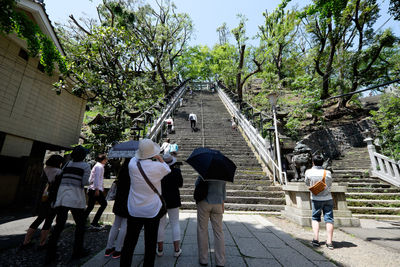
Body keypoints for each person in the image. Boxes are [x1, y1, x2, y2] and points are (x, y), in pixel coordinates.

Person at [120, 139, 171, 267]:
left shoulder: (132, 165)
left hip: (134, 209)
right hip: (152, 210)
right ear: (152, 153)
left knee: (129, 243)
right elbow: (167, 169)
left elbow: (134, 158)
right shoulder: (157, 167)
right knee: (150, 243)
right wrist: (158, 157)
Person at [45, 146, 91, 264]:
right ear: (83, 156)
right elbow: (84, 182)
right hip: (75, 198)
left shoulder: (67, 164)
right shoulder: (85, 166)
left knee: (59, 225)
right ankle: (77, 250)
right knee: (80, 225)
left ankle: (50, 253)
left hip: (62, 197)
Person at [21, 154, 64, 249]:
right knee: (48, 221)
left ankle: (26, 241)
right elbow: (58, 188)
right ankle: (42, 243)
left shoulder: (44, 169)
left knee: (39, 219)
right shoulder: (59, 172)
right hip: (52, 199)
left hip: (42, 198)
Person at [305, 155, 334, 250]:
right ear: (322, 163)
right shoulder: (327, 172)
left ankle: (316, 239)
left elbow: (307, 183)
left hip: (316, 198)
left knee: (315, 218)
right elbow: (329, 184)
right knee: (329, 219)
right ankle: (329, 242)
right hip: (328, 198)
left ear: (313, 162)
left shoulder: (309, 172)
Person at [157, 154, 183, 258]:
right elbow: (180, 184)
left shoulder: (159, 171)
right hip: (174, 199)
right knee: (175, 223)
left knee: (160, 224)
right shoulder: (176, 171)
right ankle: (177, 250)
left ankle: (160, 250)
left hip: (161, 200)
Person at [196, 176, 226, 267]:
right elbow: (224, 191)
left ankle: (203, 259)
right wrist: (222, 204)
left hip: (204, 202)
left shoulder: (204, 171)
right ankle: (220, 261)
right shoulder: (222, 174)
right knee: (219, 232)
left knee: (202, 230)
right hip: (218, 203)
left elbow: (197, 184)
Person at [104, 158, 131, 259]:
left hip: (119, 201)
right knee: (124, 225)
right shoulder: (132, 175)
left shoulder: (121, 173)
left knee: (115, 225)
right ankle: (118, 249)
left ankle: (108, 248)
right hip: (128, 202)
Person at [84, 154, 108, 229]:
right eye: (106, 159)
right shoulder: (99, 166)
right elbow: (97, 178)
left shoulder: (99, 166)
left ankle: (82, 221)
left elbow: (99, 178)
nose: (106, 160)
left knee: (90, 206)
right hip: (94, 189)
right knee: (103, 204)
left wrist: (101, 187)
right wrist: (97, 189)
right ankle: (94, 222)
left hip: (94, 188)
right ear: (103, 160)